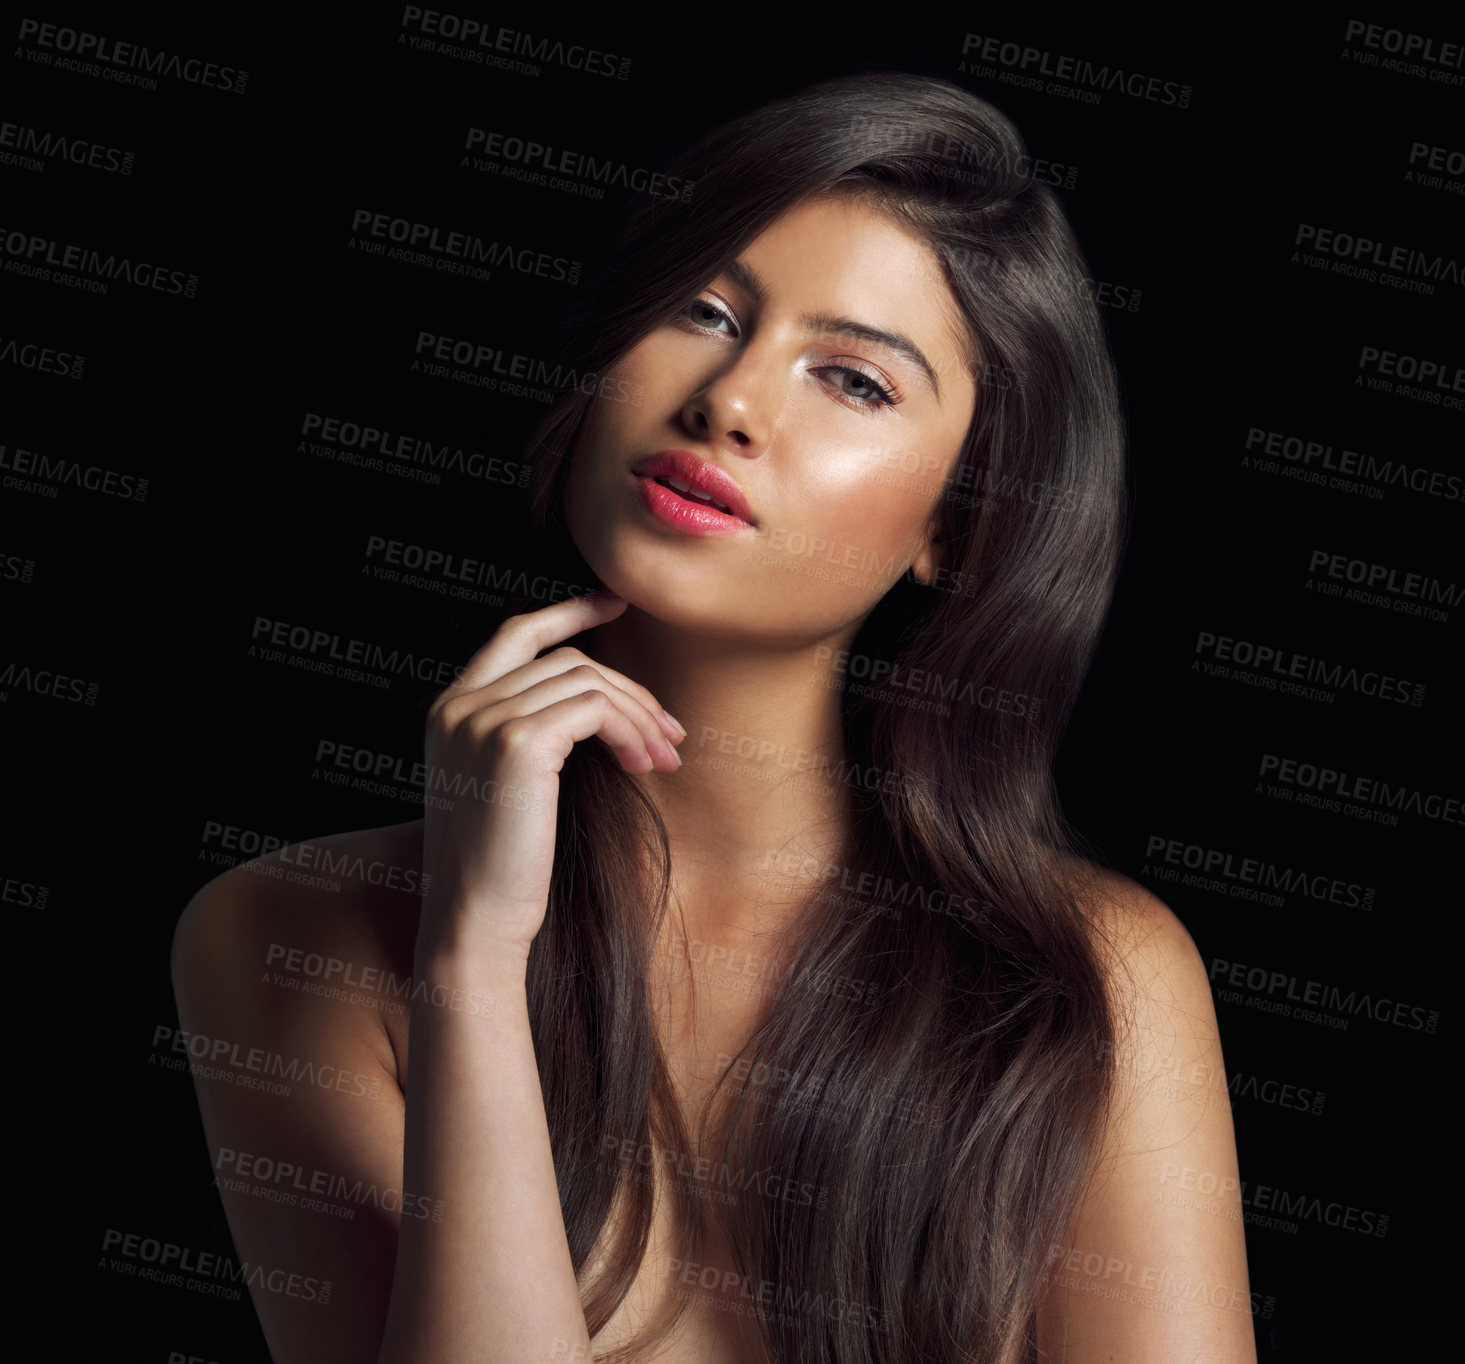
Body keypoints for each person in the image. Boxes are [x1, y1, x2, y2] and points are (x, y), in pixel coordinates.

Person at [172, 69, 1254, 1364]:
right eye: (700, 309)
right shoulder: (297, 940)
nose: (728, 402)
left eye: (851, 380)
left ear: (958, 524)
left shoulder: (1088, 980)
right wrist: (474, 958)